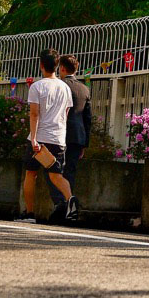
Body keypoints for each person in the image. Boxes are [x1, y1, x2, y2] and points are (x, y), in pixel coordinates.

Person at [17, 49, 74, 224]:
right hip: (58, 137)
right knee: (56, 176)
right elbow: (66, 113)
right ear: (57, 66)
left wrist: (33, 138)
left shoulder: (37, 86)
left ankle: (29, 213)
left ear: (41, 65)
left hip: (40, 138)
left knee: (31, 174)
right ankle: (72, 203)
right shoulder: (65, 87)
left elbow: (34, 114)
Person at [58, 54, 92, 220]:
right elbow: (88, 118)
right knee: (70, 171)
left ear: (62, 68)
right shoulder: (84, 89)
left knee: (55, 170)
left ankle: (61, 204)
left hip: (59, 134)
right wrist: (85, 143)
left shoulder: (59, 85)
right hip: (78, 136)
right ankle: (68, 207)